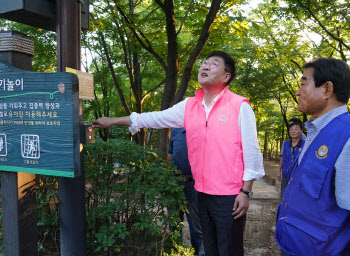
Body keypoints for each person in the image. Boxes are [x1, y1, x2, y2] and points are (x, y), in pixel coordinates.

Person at [92, 50, 265, 256]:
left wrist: (245, 192)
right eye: (204, 62)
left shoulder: (239, 106)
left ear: (226, 76)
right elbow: (154, 118)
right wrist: (113, 120)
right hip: (202, 191)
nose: (205, 66)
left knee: (229, 249)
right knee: (210, 248)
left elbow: (252, 151)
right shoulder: (189, 105)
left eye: (214, 64)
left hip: (230, 195)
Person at [275, 57, 350, 256]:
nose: (298, 92)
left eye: (303, 83)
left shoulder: (346, 136)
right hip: (294, 243)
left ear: (327, 89)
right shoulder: (312, 134)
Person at [167, 128, 204, 256]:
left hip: (194, 184)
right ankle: (176, 251)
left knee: (196, 224)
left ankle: (198, 252)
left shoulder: (202, 128)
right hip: (174, 183)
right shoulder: (175, 130)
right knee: (174, 222)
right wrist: (167, 176)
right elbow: (170, 154)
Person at [277, 120, 305, 197]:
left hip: (298, 176)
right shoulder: (285, 143)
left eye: (296, 129)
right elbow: (282, 158)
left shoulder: (305, 144)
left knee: (295, 196)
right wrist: (279, 171)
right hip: (286, 174)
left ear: (301, 131)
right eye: (291, 129)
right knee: (283, 195)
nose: (293, 131)